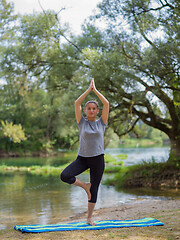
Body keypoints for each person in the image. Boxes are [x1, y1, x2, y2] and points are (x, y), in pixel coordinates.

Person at [60, 78, 109, 226]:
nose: (92, 110)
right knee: (65, 175)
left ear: (97, 111)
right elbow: (77, 103)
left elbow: (106, 104)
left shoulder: (102, 122)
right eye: (89, 108)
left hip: (98, 159)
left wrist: (96, 91)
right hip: (82, 158)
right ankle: (84, 186)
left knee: (95, 189)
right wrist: (88, 91)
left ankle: (89, 218)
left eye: (94, 108)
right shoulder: (82, 122)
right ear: (86, 111)